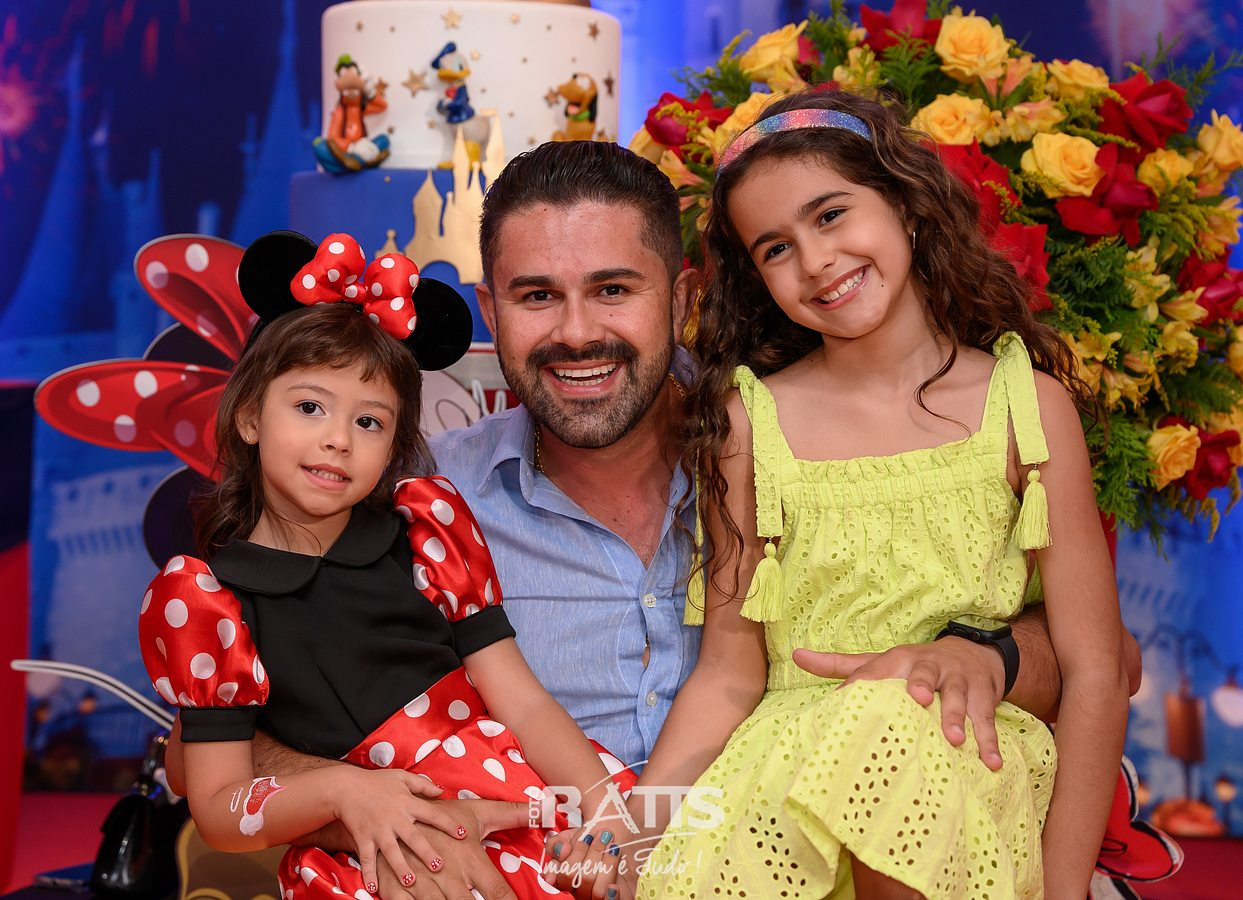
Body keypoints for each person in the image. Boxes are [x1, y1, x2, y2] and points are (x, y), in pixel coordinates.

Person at [162, 142, 1139, 900]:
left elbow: (1097, 660)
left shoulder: (790, 444)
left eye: (612, 290)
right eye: (537, 297)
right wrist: (383, 814)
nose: (576, 332)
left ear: (680, 299)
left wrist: (984, 652)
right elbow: (207, 746)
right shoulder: (413, 499)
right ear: (491, 311)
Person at [628, 91, 1130, 899]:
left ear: (903, 203)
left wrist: (1065, 887)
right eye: (776, 248)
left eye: (830, 215)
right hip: (787, 774)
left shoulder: (1023, 407)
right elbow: (726, 674)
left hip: (963, 760)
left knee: (894, 719)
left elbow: (1096, 670)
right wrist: (637, 833)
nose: (815, 260)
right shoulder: (748, 422)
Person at [138, 231, 636, 900]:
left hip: (510, 792)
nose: (338, 439)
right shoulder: (207, 602)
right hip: (368, 852)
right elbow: (220, 806)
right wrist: (341, 791)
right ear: (250, 416)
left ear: (396, 443)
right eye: (309, 407)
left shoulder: (426, 534)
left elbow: (522, 700)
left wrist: (609, 817)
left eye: (369, 422)